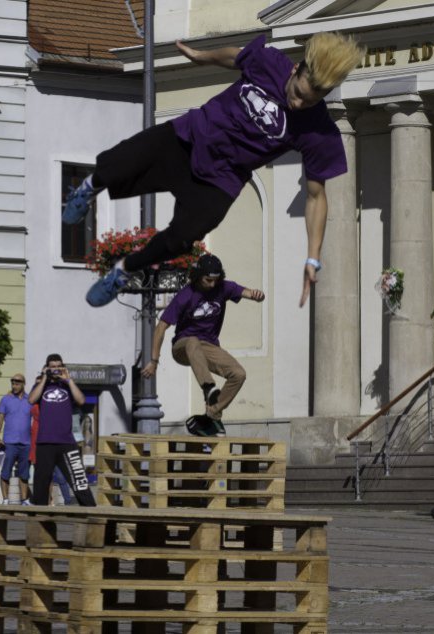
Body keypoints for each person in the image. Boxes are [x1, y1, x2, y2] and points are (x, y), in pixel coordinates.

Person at [63, 32, 364, 309]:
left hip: (223, 177)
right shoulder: (269, 62)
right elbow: (235, 57)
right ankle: (88, 188)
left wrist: (313, 256)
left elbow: (316, 196)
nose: (297, 104)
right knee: (123, 161)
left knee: (183, 239)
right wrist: (200, 56)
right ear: (295, 69)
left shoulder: (318, 130)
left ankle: (124, 270)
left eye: (309, 101)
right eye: (297, 93)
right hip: (191, 135)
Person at [141, 254, 265, 436]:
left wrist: (256, 295)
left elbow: (246, 292)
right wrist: (154, 361)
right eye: (208, 280)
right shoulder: (186, 295)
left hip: (208, 346)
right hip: (183, 347)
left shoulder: (224, 287)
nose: (212, 285)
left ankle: (211, 416)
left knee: (238, 374)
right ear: (198, 276)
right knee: (193, 340)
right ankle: (208, 387)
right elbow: (161, 327)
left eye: (216, 280)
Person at [27, 354, 95, 506]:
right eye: (52, 367)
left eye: (59, 366)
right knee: (41, 483)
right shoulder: (41, 385)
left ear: (63, 367)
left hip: (66, 442)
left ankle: (91, 510)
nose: (56, 369)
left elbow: (81, 400)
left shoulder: (67, 385)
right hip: (45, 442)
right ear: (47, 368)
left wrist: (69, 380)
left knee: (79, 480)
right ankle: (40, 515)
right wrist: (44, 377)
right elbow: (31, 400)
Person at [0, 374, 32, 505]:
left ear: (23, 384)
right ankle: (5, 499)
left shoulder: (30, 400)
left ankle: (24, 500)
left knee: (24, 474)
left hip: (26, 443)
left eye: (17, 383)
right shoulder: (6, 399)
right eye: (13, 383)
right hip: (9, 443)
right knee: (5, 472)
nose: (14, 386)